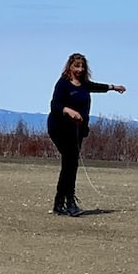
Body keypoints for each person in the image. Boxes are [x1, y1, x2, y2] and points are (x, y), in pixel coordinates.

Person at [47, 53, 126, 216]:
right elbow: (55, 104)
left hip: (77, 130)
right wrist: (69, 111)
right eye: (77, 66)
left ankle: (59, 204)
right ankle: (69, 203)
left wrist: (114, 87)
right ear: (70, 66)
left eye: (82, 66)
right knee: (70, 164)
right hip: (60, 128)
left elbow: (96, 86)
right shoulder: (63, 84)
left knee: (70, 165)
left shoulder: (84, 84)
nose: (80, 69)